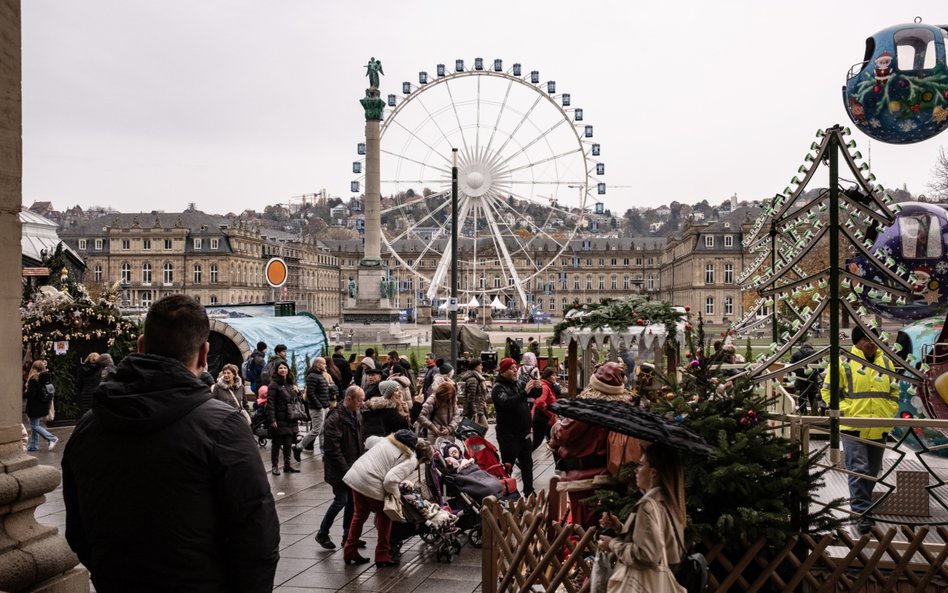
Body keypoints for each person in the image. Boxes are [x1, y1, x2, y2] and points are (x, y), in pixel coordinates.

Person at [62, 294, 279, 592]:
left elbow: (77, 530)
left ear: (141, 345)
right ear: (204, 355)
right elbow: (258, 536)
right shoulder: (223, 426)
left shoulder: (89, 425)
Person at [820, 326, 899, 535]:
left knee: (872, 472)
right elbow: (827, 393)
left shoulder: (886, 362)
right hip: (853, 427)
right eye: (865, 339)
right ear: (856, 343)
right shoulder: (843, 363)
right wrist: (846, 411)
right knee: (859, 470)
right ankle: (862, 514)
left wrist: (890, 411)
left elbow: (894, 391)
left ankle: (864, 508)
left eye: (873, 338)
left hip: (879, 427)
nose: (871, 343)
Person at [598, 442, 686, 593]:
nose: (636, 471)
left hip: (641, 585)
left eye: (640, 465)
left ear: (653, 472)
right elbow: (659, 543)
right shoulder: (670, 502)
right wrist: (619, 527)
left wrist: (612, 544)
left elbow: (645, 555)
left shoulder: (648, 506)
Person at [550, 362, 629, 529]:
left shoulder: (587, 410)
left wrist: (556, 427)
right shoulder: (622, 408)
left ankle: (585, 554)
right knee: (605, 525)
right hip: (610, 471)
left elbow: (563, 434)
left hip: (584, 476)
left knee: (584, 527)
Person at [342, 429, 432, 567]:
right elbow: (390, 481)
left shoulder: (386, 441)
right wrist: (397, 496)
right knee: (386, 516)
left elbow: (369, 439)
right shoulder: (411, 459)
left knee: (359, 515)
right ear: (423, 459)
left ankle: (349, 550)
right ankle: (382, 556)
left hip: (356, 475)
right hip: (371, 481)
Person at [315, 385, 365, 550]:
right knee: (341, 500)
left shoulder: (354, 415)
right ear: (349, 399)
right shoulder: (335, 418)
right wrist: (346, 469)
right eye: (359, 400)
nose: (362, 403)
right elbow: (332, 449)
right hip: (339, 470)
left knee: (351, 501)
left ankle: (348, 536)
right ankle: (322, 533)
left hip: (352, 467)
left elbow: (358, 441)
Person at [491, 357, 534, 496]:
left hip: (524, 433)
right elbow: (507, 403)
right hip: (509, 435)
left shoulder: (518, 383)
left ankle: (529, 491)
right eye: (511, 368)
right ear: (503, 371)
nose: (515, 370)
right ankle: (508, 492)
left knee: (527, 465)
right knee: (507, 465)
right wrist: (524, 393)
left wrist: (537, 388)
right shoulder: (498, 387)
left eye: (516, 367)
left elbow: (533, 393)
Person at [294, 357, 333, 460]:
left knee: (323, 431)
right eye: (323, 363)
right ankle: (299, 447)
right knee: (316, 430)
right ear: (317, 364)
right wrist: (319, 406)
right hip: (317, 408)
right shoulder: (312, 376)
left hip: (323, 406)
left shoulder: (319, 375)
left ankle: (324, 453)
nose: (325, 365)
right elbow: (310, 393)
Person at [267, 360, 301, 475]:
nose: (283, 370)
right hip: (279, 417)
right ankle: (275, 466)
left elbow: (295, 400)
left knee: (288, 442)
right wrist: (272, 419)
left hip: (290, 417)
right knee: (276, 443)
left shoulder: (290, 383)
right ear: (276, 370)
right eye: (280, 368)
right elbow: (270, 403)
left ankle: (287, 465)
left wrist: (297, 391)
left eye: (285, 368)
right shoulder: (273, 384)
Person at [24, 360, 59, 451]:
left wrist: (20, 395)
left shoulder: (34, 379)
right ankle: (33, 445)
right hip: (43, 405)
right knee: (35, 425)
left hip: (35, 406)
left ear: (34, 368)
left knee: (35, 426)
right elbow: (51, 391)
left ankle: (52, 438)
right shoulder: (46, 378)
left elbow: (31, 394)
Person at [789, 338, 820, 414]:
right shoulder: (816, 354)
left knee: (801, 401)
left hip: (800, 380)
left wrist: (799, 371)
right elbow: (821, 368)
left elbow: (791, 367)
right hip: (813, 381)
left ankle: (803, 416)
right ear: (811, 346)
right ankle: (814, 417)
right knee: (813, 401)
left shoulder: (796, 354)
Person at [532, 367, 559, 450]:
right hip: (542, 418)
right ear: (548, 377)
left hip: (547, 419)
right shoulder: (545, 386)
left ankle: (559, 460)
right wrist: (550, 413)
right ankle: (522, 458)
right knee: (537, 441)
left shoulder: (549, 385)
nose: (556, 377)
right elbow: (540, 402)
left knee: (554, 440)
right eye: (553, 375)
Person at [461, 358, 490, 430]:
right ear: (475, 366)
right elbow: (470, 398)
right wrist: (474, 412)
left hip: (479, 408)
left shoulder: (478, 378)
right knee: (479, 428)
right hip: (475, 410)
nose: (482, 367)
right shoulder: (473, 379)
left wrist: (483, 402)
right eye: (480, 365)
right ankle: (473, 441)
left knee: (479, 429)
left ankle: (475, 441)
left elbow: (480, 394)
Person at [75, 352, 101, 419]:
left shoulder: (82, 370)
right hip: (96, 394)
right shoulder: (100, 370)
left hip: (85, 394)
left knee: (85, 414)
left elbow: (79, 384)